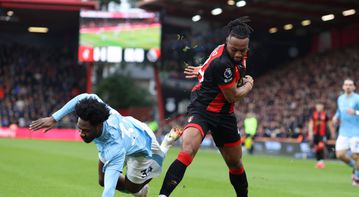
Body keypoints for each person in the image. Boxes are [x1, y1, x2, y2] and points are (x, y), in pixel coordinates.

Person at [159, 17, 254, 197]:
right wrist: (249, 85)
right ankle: (162, 196)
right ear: (227, 43)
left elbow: (214, 64)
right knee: (187, 150)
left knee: (235, 163)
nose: (238, 54)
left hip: (225, 115)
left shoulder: (234, 53)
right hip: (202, 109)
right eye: (234, 50)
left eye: (242, 50)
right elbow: (232, 95)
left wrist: (202, 69)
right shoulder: (222, 63)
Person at [30, 93, 182, 196]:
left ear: (98, 126)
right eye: (79, 128)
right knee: (101, 180)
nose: (81, 133)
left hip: (143, 147)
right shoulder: (99, 112)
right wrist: (54, 118)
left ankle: (166, 144)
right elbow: (85, 97)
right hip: (128, 130)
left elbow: (109, 190)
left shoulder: (114, 148)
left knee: (133, 188)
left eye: (85, 131)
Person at [332, 78, 359, 186]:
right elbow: (339, 111)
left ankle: (356, 177)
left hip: (356, 132)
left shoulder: (357, 98)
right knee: (340, 155)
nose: (348, 86)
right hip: (343, 132)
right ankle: (356, 168)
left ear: (354, 87)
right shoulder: (340, 99)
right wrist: (335, 117)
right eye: (346, 84)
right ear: (343, 86)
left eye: (350, 85)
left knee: (357, 156)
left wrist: (356, 112)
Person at [308, 102, 335, 169]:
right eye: (318, 106)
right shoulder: (313, 114)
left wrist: (332, 132)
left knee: (321, 146)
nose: (319, 107)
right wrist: (310, 132)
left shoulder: (325, 115)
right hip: (315, 134)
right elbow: (311, 124)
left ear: (322, 107)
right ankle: (318, 162)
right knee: (317, 148)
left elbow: (329, 124)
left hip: (323, 134)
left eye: (320, 106)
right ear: (316, 106)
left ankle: (321, 161)